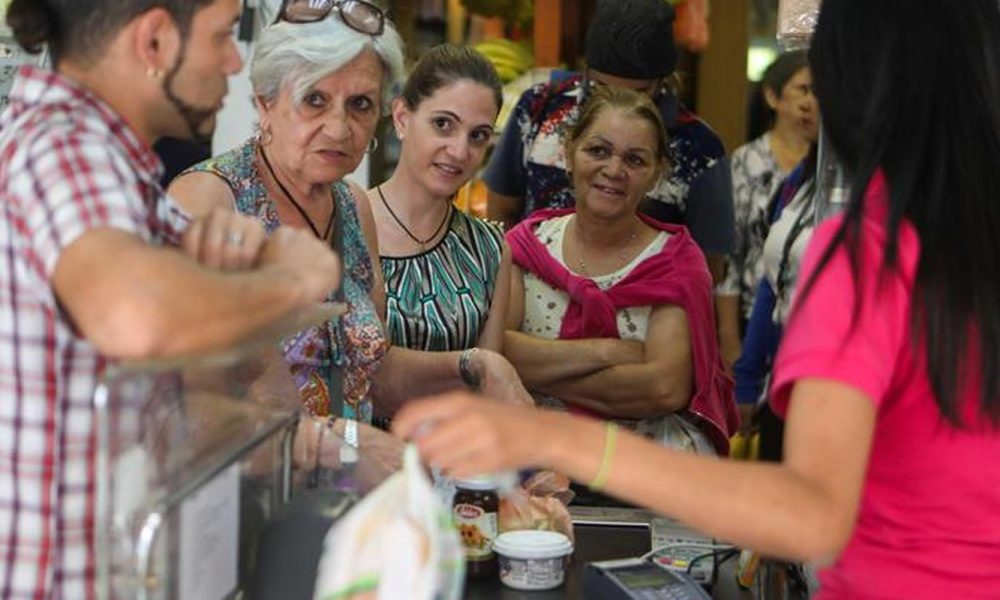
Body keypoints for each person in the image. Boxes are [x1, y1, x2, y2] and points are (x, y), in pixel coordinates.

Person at [394, 1, 1000, 597]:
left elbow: (809, 510)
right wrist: (612, 357)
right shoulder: (961, 240)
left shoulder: (866, 254)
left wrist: (554, 439)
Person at [0, 0, 344, 596]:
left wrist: (228, 277)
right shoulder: (62, 150)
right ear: (156, 41)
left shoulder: (125, 179)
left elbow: (185, 384)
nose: (234, 62)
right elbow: (134, 316)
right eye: (219, 38)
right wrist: (290, 277)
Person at [168, 2, 528, 423]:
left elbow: (374, 374)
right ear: (265, 102)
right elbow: (191, 403)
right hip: (248, 483)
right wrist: (339, 445)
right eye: (314, 100)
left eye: (359, 104)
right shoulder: (208, 201)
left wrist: (474, 364)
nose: (339, 129)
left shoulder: (352, 205)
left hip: (344, 481)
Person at [503, 86, 737, 456]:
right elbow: (499, 353)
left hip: (641, 478)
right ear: (568, 154)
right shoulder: (527, 244)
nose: (613, 170)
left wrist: (540, 374)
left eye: (635, 160)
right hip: (532, 468)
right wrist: (608, 352)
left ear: (657, 173)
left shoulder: (674, 261)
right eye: (598, 151)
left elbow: (664, 388)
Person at [482, 0, 734, 284]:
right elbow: (501, 213)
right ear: (585, 71)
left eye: (638, 94)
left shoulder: (700, 150)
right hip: (528, 298)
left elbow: (708, 268)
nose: (618, 106)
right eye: (601, 89)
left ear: (664, 81)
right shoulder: (539, 108)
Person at [368, 44, 511, 354]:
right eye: (443, 124)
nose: (460, 152)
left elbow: (488, 380)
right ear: (402, 117)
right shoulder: (344, 225)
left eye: (478, 136)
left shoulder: (490, 249)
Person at [717, 51, 817, 370]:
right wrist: (729, 339)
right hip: (753, 317)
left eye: (820, 92)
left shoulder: (826, 167)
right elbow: (730, 257)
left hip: (808, 317)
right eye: (802, 89)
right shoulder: (747, 162)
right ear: (772, 96)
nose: (810, 101)